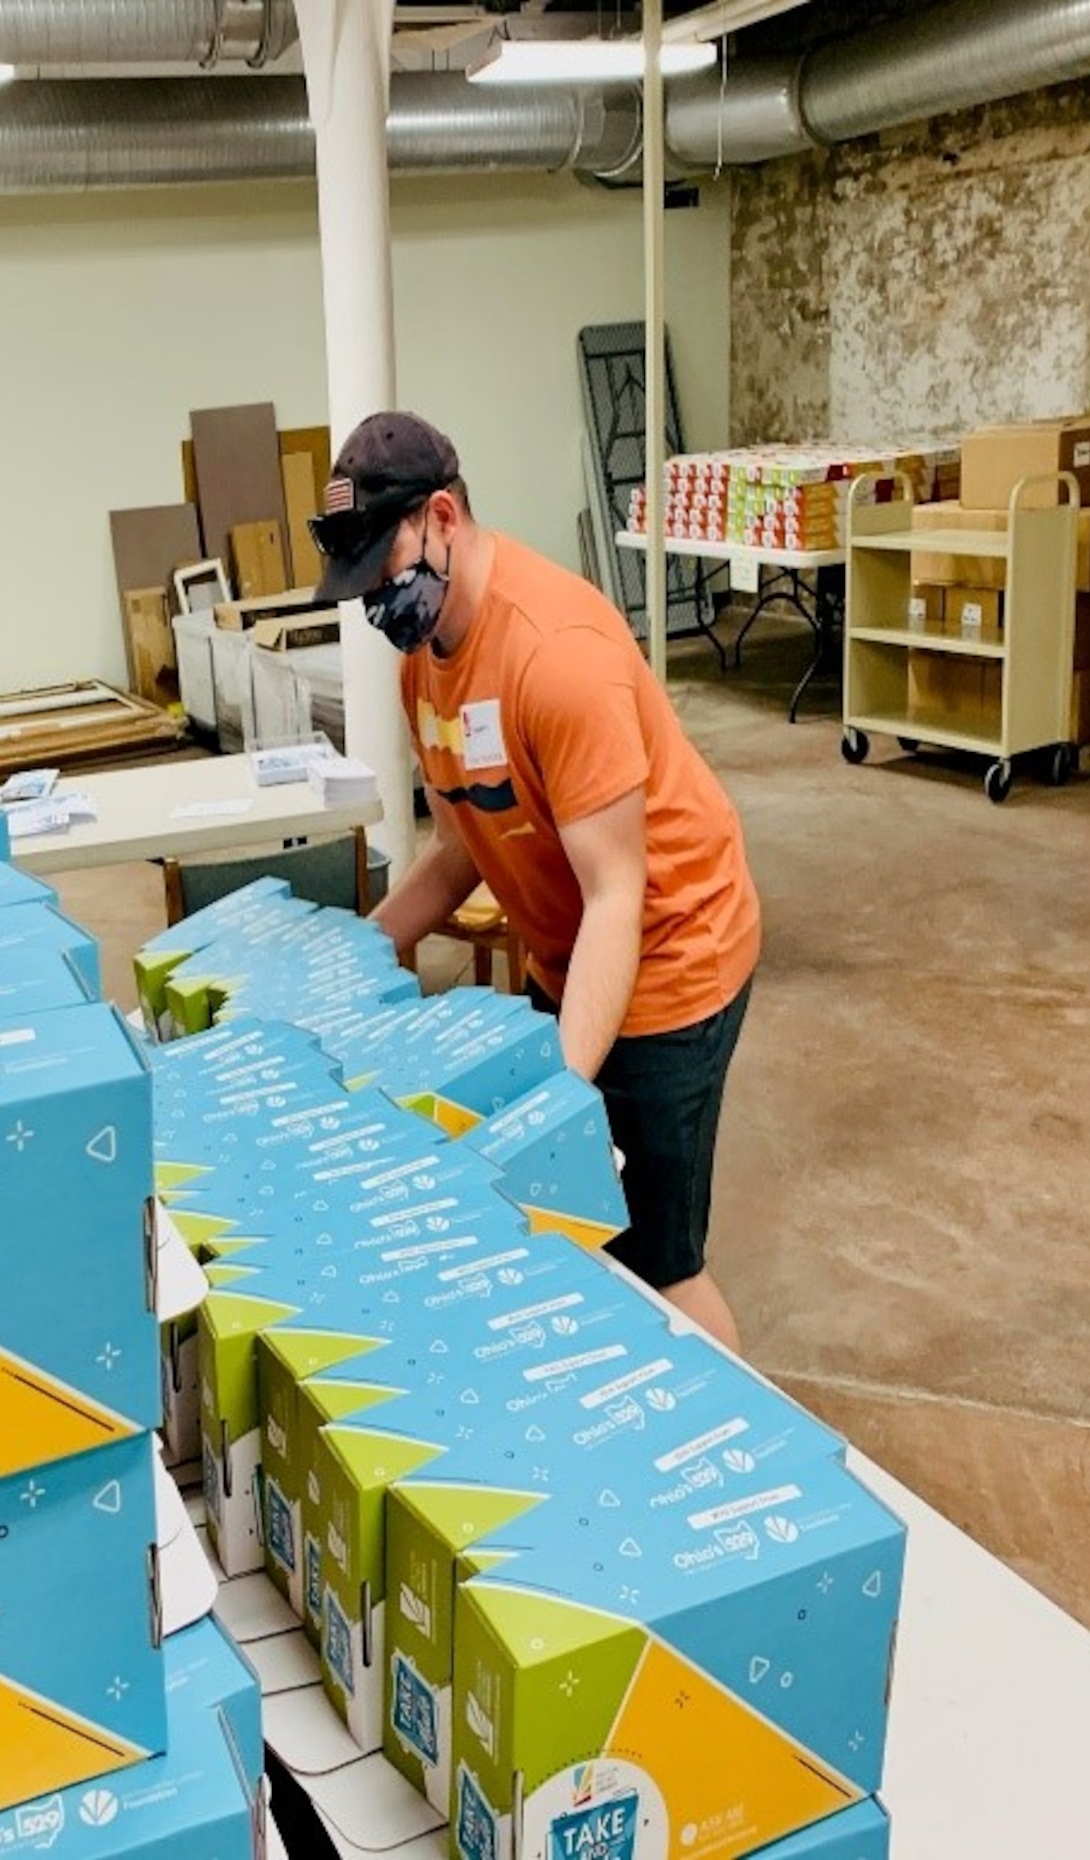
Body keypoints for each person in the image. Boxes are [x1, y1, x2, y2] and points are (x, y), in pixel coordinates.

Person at [312, 412, 761, 1353]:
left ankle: (738, 1445)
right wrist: (345, 963)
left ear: (443, 516)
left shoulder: (557, 656)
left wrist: (561, 1089)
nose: (375, 606)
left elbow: (618, 895)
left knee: (658, 1256)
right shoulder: (423, 669)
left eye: (380, 577)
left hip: (671, 952)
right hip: (574, 949)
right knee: (567, 1222)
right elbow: (460, 851)